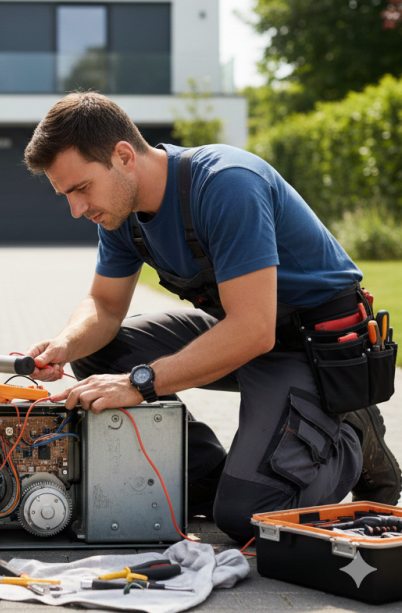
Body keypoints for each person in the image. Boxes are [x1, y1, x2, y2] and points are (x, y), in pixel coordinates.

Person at [23, 91, 400, 542]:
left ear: (123, 156)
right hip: (244, 331)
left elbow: (253, 330)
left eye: (81, 188)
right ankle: (205, 475)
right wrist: (66, 343)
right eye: (66, 195)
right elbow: (104, 306)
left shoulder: (226, 184)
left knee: (249, 519)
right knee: (98, 355)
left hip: (313, 349)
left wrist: (139, 383)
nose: (77, 209)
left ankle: (353, 432)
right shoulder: (121, 214)